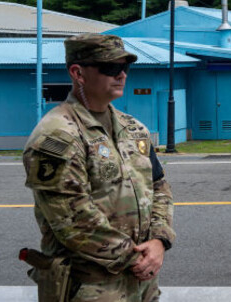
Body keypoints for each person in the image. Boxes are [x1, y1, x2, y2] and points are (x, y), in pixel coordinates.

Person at [21, 33, 176, 301]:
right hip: (90, 286)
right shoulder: (57, 135)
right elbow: (72, 220)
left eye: (124, 67)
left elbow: (158, 187)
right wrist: (136, 257)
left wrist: (160, 241)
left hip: (141, 281)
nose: (121, 75)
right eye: (110, 68)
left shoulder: (134, 129)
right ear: (77, 73)